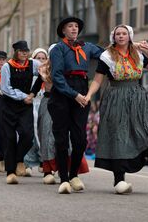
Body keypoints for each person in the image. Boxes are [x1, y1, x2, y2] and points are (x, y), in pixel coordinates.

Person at [83, 24, 148, 194]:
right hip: (116, 98)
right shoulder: (107, 56)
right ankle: (119, 179)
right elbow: (98, 80)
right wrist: (89, 95)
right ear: (114, 37)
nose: (120, 36)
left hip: (138, 99)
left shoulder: (138, 55)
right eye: (117, 34)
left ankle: (147, 156)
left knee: (143, 132)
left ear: (129, 36)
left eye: (124, 33)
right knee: (119, 135)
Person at [48, 17, 104, 194]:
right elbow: (56, 76)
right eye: (70, 26)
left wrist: (129, 45)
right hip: (63, 93)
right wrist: (75, 95)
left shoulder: (87, 47)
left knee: (80, 139)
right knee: (62, 138)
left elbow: (107, 55)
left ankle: (74, 175)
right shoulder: (58, 49)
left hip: (81, 86)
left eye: (76, 26)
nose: (74, 29)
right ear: (63, 30)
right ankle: (64, 178)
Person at [0, 40, 43, 185]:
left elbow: (44, 74)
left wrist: (33, 93)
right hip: (9, 105)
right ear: (16, 52)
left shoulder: (34, 64)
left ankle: (19, 159)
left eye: (26, 50)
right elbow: (5, 88)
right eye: (21, 51)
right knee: (10, 138)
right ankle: (10, 172)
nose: (24, 53)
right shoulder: (7, 66)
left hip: (25, 106)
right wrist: (25, 96)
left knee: (28, 135)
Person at [24, 48, 48, 176]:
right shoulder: (29, 74)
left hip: (44, 106)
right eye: (38, 58)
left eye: (43, 58)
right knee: (30, 133)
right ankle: (27, 163)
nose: (41, 61)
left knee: (43, 133)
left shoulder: (49, 74)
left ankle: (43, 161)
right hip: (31, 106)